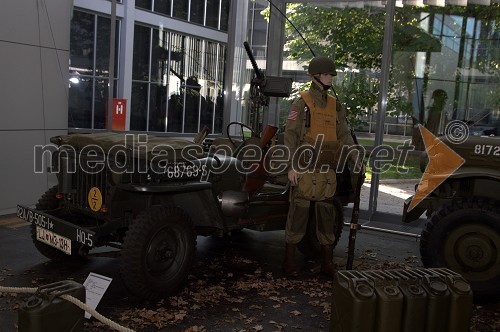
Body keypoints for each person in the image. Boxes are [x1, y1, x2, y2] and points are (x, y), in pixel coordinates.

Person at [283, 56, 360, 278]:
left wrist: (356, 158)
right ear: (315, 76)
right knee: (298, 215)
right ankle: (288, 262)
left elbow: (344, 134)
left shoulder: (336, 106)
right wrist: (291, 166)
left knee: (327, 218)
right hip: (305, 169)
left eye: (331, 74)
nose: (330, 77)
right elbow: (290, 136)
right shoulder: (302, 102)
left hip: (327, 170)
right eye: (327, 74)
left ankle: (327, 262)